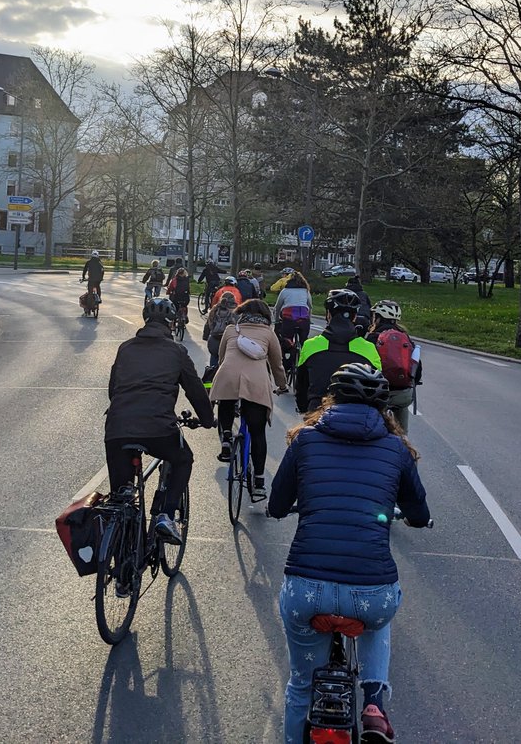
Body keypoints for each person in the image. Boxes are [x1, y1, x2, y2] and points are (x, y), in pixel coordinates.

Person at [268, 362, 431, 744]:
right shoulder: (396, 448)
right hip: (371, 594)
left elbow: (276, 505)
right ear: (383, 409)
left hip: (306, 591)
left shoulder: (305, 440)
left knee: (301, 685)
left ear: (331, 401)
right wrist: (412, 519)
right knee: (379, 618)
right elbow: (419, 514)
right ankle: (373, 702)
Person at [105, 297, 216, 545]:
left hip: (117, 427)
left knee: (121, 496)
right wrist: (208, 419)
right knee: (183, 459)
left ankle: (120, 553)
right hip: (158, 428)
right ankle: (166, 515)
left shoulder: (125, 348)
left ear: (145, 320)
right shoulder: (177, 351)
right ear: (171, 323)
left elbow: (113, 390)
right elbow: (195, 390)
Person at [208, 299, 287, 492]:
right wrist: (282, 385)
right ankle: (259, 481)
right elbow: (277, 364)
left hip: (228, 374)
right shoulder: (268, 333)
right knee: (258, 432)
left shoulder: (230, 330)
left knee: (226, 401)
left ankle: (226, 438)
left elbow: (221, 358)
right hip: (256, 382)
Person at [295, 288, 381, 415]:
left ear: (328, 315)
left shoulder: (310, 346)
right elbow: (378, 389)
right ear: (354, 317)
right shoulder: (369, 349)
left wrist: (304, 409)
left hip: (317, 413)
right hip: (357, 415)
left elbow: (301, 386)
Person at [366, 300, 422, 431]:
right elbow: (416, 366)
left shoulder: (372, 338)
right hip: (403, 395)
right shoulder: (405, 338)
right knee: (401, 429)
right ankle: (403, 439)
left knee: (371, 426)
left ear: (378, 318)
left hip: (378, 393)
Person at [202, 291, 237, 372]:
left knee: (213, 362)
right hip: (229, 342)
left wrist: (205, 336)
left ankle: (212, 376)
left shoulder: (215, 309)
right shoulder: (236, 311)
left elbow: (208, 324)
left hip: (214, 339)